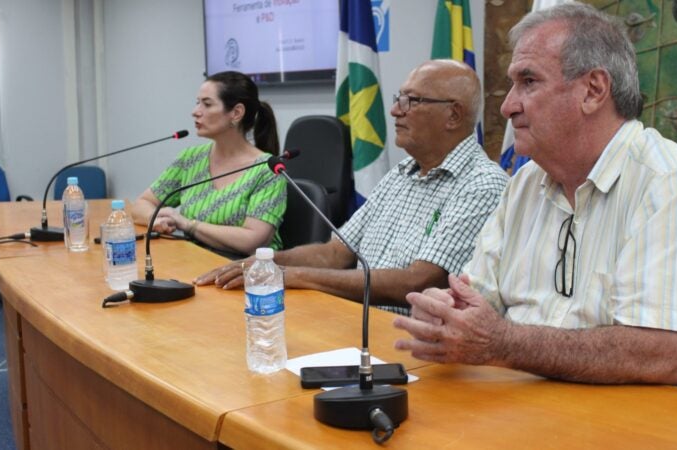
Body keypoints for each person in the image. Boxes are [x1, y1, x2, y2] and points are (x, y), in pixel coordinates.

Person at [393, 2, 677, 404]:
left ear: (593, 90)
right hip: (550, 414)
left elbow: (666, 354)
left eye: (528, 81)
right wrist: (449, 311)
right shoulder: (525, 184)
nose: (507, 105)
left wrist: (503, 342)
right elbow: (479, 297)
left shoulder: (671, 183)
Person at [194, 59, 508, 315]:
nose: (395, 111)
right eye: (399, 99)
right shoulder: (401, 173)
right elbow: (336, 252)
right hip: (350, 320)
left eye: (411, 101)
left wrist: (293, 276)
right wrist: (267, 262)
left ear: (453, 114)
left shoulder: (481, 185)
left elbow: (418, 282)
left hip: (408, 343)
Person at [132, 71, 286, 255]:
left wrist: (188, 224)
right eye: (198, 103)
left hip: (245, 272)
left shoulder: (268, 170)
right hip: (194, 261)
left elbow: (252, 240)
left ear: (236, 113)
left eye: (207, 104)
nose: (195, 112)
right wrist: (154, 219)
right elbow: (142, 203)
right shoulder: (190, 159)